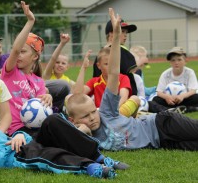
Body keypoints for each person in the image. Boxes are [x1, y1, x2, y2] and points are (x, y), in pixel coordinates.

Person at [70, 8, 198, 151]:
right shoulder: (90, 139)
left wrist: (117, 37)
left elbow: (113, 72)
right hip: (161, 143)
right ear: (73, 121)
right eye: (85, 116)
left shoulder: (106, 112)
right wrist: (84, 131)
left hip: (162, 124)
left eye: (93, 112)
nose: (92, 118)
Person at [0, 102, 128, 179]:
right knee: (49, 154)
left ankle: (98, 156)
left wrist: (19, 135)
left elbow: (19, 138)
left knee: (53, 120)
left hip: (26, 142)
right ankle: (89, 167)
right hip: (18, 155)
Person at [0, 1, 53, 137]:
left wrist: (47, 98)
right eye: (19, 52)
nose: (18, 55)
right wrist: (30, 21)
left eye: (24, 52)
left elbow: (41, 109)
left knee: (57, 125)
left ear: (35, 56)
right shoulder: (10, 72)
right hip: (16, 130)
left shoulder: (39, 82)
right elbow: (16, 49)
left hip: (35, 127)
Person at [74, 47, 140, 118]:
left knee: (135, 98)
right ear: (99, 66)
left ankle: (115, 119)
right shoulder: (95, 81)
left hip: (117, 113)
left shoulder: (123, 78)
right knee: (69, 99)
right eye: (106, 64)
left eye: (113, 63)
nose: (111, 67)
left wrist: (112, 112)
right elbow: (78, 95)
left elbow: (123, 97)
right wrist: (83, 68)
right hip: (101, 116)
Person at [93, 18, 138, 95]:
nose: (125, 35)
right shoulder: (121, 50)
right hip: (124, 98)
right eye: (122, 31)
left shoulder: (100, 54)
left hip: (101, 97)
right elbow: (133, 69)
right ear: (111, 34)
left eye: (126, 32)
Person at [152, 47, 198, 112]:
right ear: (170, 62)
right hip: (169, 100)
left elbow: (193, 90)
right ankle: (183, 109)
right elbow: (159, 92)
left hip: (184, 99)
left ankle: (174, 109)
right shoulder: (165, 74)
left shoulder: (189, 72)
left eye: (179, 60)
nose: (176, 62)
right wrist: (167, 97)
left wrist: (182, 96)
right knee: (156, 99)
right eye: (173, 60)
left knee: (196, 97)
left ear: (185, 61)